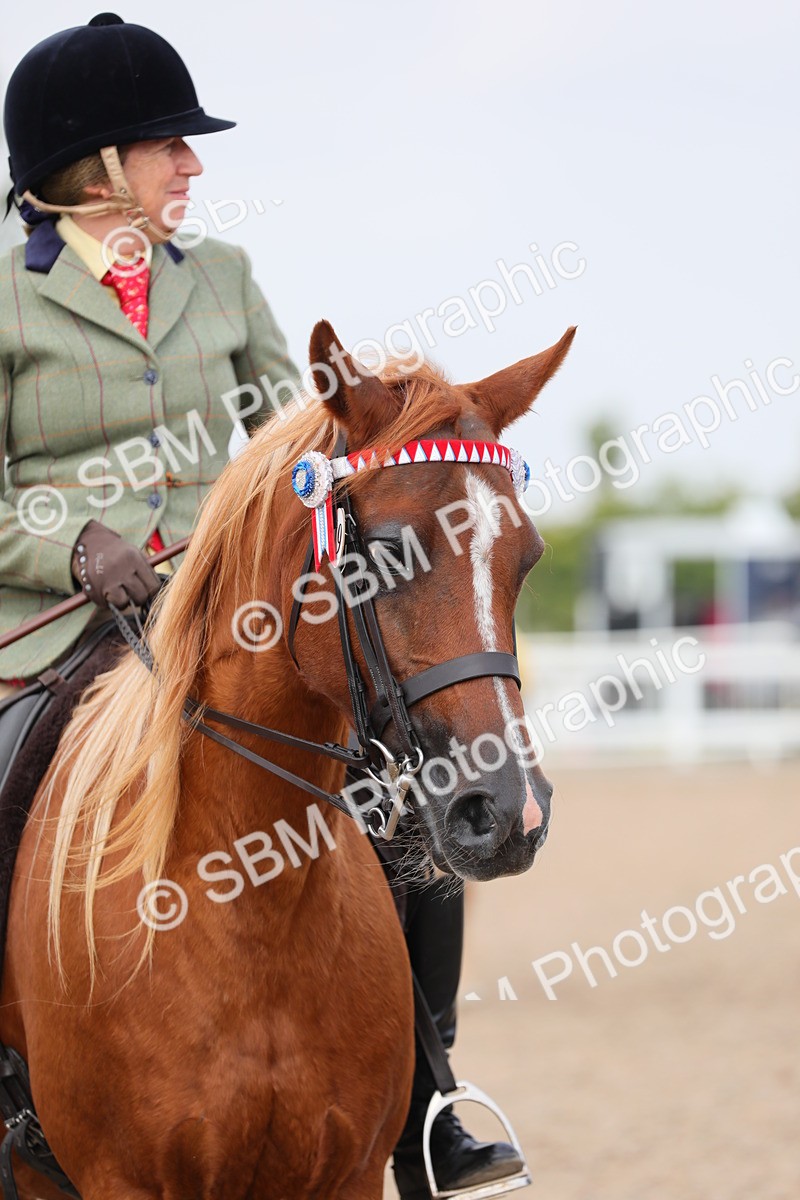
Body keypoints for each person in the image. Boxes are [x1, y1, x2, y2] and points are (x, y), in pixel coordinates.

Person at [0, 16, 523, 1198]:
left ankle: (428, 1101)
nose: (192, 168)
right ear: (92, 165)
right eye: (169, 146)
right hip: (54, 627)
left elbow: (295, 451)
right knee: (1, 780)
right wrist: (72, 543)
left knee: (395, 804)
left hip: (215, 615)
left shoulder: (222, 279)